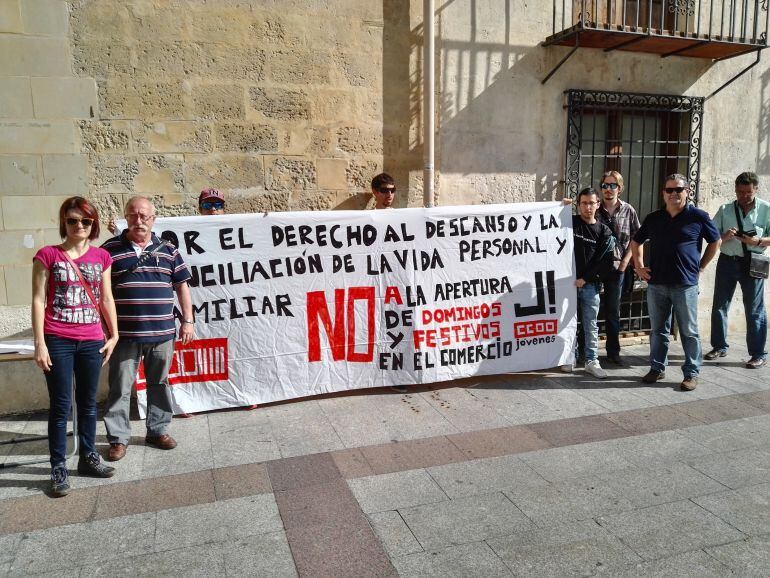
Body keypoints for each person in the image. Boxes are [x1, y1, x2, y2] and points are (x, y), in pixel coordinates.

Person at [32, 197, 120, 497]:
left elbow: (106, 298)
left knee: (88, 404)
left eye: (85, 220)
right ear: (63, 223)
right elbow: (38, 300)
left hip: (92, 338)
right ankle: (58, 466)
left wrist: (115, 334)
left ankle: (87, 457)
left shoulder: (101, 258)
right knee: (60, 405)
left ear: (93, 223)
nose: (79, 226)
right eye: (72, 221)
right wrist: (40, 343)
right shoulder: (48, 255)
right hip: (58, 337)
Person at [102, 196, 195, 461]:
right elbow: (101, 291)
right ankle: (118, 438)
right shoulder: (109, 250)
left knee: (159, 383)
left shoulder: (169, 250)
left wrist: (187, 321)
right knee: (120, 387)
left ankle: (157, 431)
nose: (138, 220)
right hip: (124, 336)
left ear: (153, 219)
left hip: (162, 334)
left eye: (144, 216)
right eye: (133, 215)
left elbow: (182, 287)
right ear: (125, 218)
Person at [630, 174, 721, 391]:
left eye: (678, 190)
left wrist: (701, 267)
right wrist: (639, 266)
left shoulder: (698, 216)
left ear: (687, 192)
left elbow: (715, 241)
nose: (673, 194)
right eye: (669, 190)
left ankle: (691, 373)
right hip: (657, 284)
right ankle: (657, 368)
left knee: (689, 331)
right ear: (663, 193)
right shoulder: (654, 217)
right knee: (659, 330)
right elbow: (636, 241)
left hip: (685, 285)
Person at [706, 171, 770, 369]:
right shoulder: (725, 209)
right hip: (728, 260)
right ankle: (719, 346)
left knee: (754, 309)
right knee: (719, 305)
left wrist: (757, 240)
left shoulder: (766, 209)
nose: (744, 196)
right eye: (740, 192)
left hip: (755, 261)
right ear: (735, 190)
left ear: (756, 189)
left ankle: (758, 354)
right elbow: (711, 236)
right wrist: (724, 237)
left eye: (748, 192)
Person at [562, 187, 614, 378]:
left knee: (590, 325)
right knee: (568, 323)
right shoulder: (569, 222)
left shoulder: (604, 231)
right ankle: (569, 358)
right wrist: (560, 207)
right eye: (584, 203)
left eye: (592, 203)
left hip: (590, 286)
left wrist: (585, 279)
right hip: (567, 285)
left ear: (598, 204)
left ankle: (592, 361)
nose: (588, 207)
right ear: (579, 205)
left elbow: (605, 263)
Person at [596, 171, 640, 366]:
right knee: (591, 309)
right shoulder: (594, 208)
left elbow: (636, 239)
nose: (608, 189)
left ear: (620, 188)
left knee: (613, 311)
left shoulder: (628, 210)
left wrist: (625, 263)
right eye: (605, 185)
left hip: (617, 268)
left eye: (613, 185)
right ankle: (585, 349)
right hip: (595, 268)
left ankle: (613, 351)